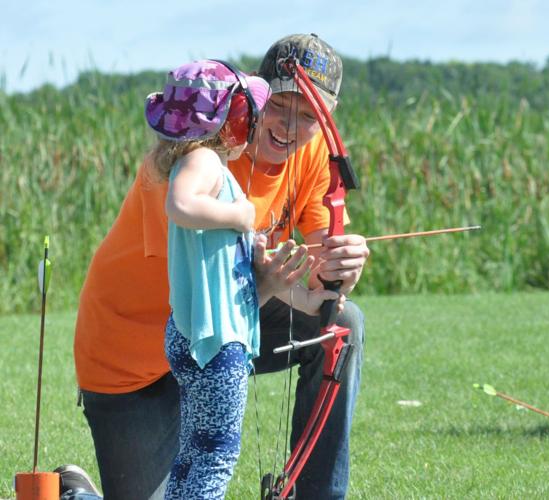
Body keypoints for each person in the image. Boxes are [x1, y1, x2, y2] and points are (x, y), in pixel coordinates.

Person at [73, 34, 369, 500]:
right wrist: (264, 284)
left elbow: (319, 271)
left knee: (340, 322)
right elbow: (203, 289)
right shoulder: (196, 156)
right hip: (133, 354)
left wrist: (341, 268)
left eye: (310, 117)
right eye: (280, 107)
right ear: (250, 101)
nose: (291, 128)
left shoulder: (312, 153)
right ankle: (77, 493)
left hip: (217, 331)